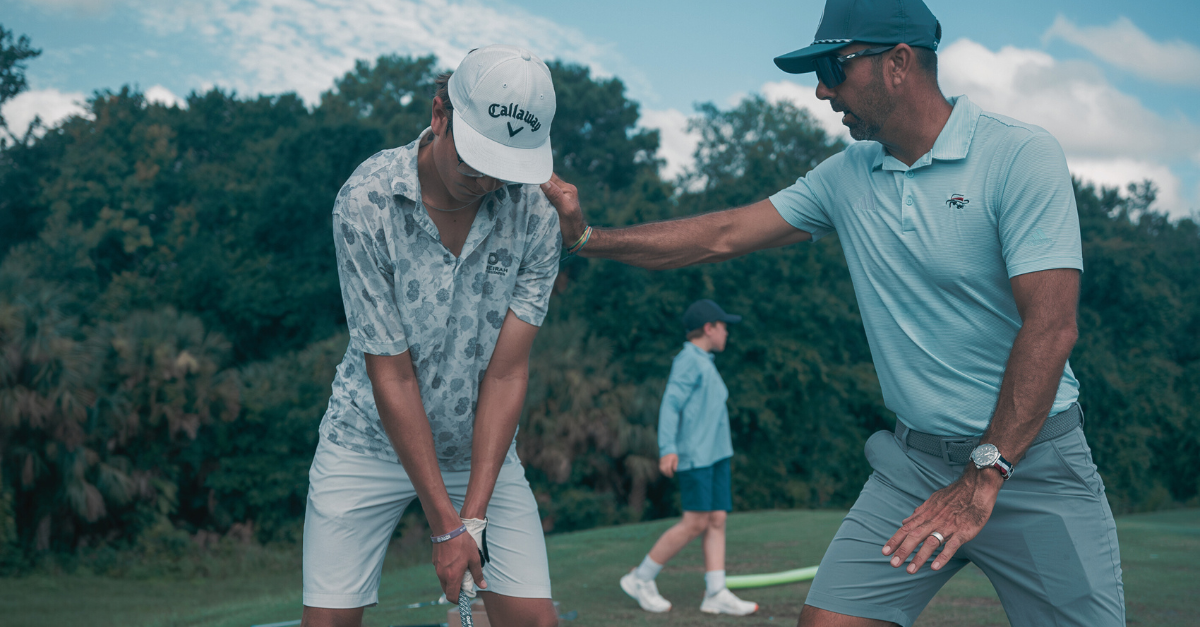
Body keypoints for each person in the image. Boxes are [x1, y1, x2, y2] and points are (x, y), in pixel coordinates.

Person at [539, 0, 1125, 625]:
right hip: (916, 467)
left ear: (898, 63)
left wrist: (984, 477)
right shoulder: (846, 176)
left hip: (1029, 464)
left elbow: (1052, 325)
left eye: (834, 67)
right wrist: (587, 239)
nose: (821, 90)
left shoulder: (1020, 155)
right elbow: (723, 233)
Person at [301, 45, 562, 627]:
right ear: (440, 114)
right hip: (366, 440)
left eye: (504, 166)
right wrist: (445, 527)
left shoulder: (537, 215)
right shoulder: (366, 199)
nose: (489, 181)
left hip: (481, 451)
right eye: (475, 161)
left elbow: (506, 372)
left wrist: (470, 519)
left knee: (537, 623)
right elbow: (390, 371)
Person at [620, 299, 758, 617]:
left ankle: (715, 593)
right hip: (696, 456)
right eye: (724, 327)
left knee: (717, 519)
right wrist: (668, 448)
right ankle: (640, 578)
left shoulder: (704, 360)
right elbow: (671, 404)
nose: (727, 333)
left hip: (717, 455)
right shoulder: (688, 360)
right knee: (694, 522)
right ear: (709, 328)